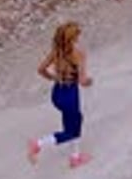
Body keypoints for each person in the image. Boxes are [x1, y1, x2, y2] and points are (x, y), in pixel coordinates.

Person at [28, 21, 93, 169]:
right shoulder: (79, 55)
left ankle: (75, 157)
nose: (78, 38)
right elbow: (82, 80)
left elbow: (41, 69)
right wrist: (89, 81)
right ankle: (38, 144)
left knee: (75, 121)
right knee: (71, 131)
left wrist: (53, 78)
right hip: (71, 95)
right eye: (77, 36)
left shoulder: (56, 52)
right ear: (72, 38)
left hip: (57, 93)